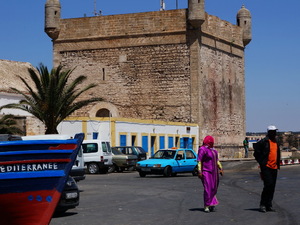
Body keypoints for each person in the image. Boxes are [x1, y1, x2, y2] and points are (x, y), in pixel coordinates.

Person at [253, 125, 280, 213]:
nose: (274, 133)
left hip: (274, 167)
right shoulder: (264, 142)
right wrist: (262, 163)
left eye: (275, 131)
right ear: (269, 133)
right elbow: (256, 153)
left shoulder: (276, 142)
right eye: (273, 132)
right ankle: (263, 204)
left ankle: (269, 205)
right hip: (266, 167)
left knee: (272, 187)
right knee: (267, 185)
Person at [197, 136, 223, 213]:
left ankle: (212, 204)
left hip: (214, 172)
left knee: (214, 188)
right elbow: (199, 161)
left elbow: (217, 161)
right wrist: (199, 171)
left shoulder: (214, 151)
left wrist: (220, 168)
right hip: (206, 172)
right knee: (208, 188)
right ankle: (206, 205)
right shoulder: (202, 149)